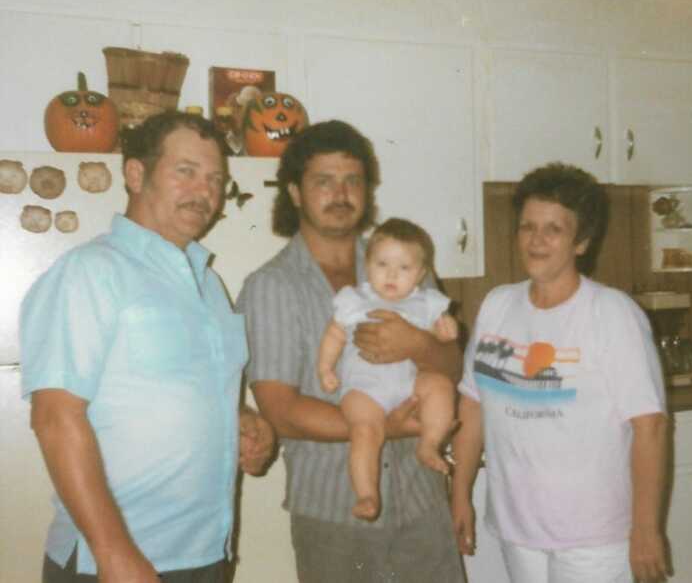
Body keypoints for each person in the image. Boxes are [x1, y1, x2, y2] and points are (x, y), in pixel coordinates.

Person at [19, 111, 276, 583]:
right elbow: (55, 418)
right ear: (136, 175)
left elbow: (185, 391)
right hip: (117, 561)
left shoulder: (210, 285)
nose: (205, 192)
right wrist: (115, 554)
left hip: (206, 553)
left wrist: (242, 422)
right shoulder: (91, 272)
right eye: (186, 172)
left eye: (215, 179)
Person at [237, 120, 466, 582]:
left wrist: (419, 343)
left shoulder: (406, 263)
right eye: (324, 181)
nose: (340, 193)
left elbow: (453, 364)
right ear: (296, 193)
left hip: (422, 501)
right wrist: (386, 427)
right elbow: (281, 411)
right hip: (335, 514)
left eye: (352, 180)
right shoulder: (271, 287)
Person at [450, 162, 669, 583]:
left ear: (581, 242)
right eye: (528, 226)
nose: (536, 240)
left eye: (554, 229)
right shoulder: (497, 305)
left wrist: (645, 529)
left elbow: (650, 427)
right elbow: (473, 404)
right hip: (518, 527)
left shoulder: (611, 312)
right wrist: (460, 494)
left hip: (594, 536)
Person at [317, 217, 458, 521]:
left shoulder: (425, 302)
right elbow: (335, 334)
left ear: (420, 274)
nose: (392, 274)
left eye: (404, 268)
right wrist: (325, 367)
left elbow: (442, 340)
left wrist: (447, 330)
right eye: (382, 264)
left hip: (410, 385)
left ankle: (430, 444)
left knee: (439, 386)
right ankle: (367, 493)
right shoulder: (355, 300)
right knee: (364, 431)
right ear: (367, 265)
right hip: (365, 388)